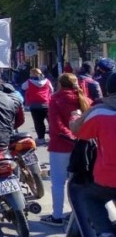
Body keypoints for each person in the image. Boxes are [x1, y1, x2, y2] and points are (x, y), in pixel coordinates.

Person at [71, 73, 116, 237]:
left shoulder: (100, 111)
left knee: (91, 197)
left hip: (108, 178)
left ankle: (105, 233)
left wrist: (75, 116)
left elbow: (78, 132)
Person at [41, 73, 91, 227]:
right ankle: (78, 216)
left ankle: (57, 216)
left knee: (58, 183)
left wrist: (69, 136)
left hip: (61, 146)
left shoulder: (56, 99)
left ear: (60, 85)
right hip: (82, 146)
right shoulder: (86, 100)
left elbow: (56, 126)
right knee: (79, 182)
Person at [22, 68, 54, 141]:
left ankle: (41, 138)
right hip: (46, 104)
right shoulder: (47, 81)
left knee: (38, 122)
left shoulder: (29, 82)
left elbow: (23, 87)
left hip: (34, 105)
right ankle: (53, 137)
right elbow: (52, 90)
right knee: (51, 122)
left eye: (30, 73)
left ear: (33, 74)